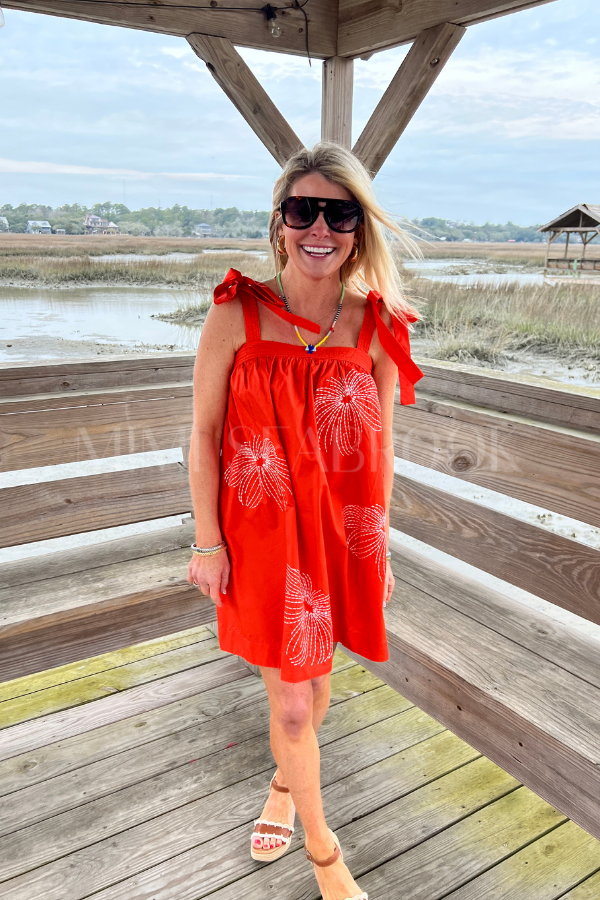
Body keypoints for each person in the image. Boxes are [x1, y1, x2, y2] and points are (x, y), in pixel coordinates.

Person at [187, 142, 422, 900]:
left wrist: (380, 547)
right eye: (303, 209)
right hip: (258, 536)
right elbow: (203, 433)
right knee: (290, 700)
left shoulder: (376, 324)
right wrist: (207, 541)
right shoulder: (236, 311)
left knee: (314, 679)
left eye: (339, 213)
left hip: (339, 534)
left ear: (358, 229)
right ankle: (326, 856)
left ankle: (286, 787)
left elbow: (381, 447)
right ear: (280, 222)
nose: (320, 227)